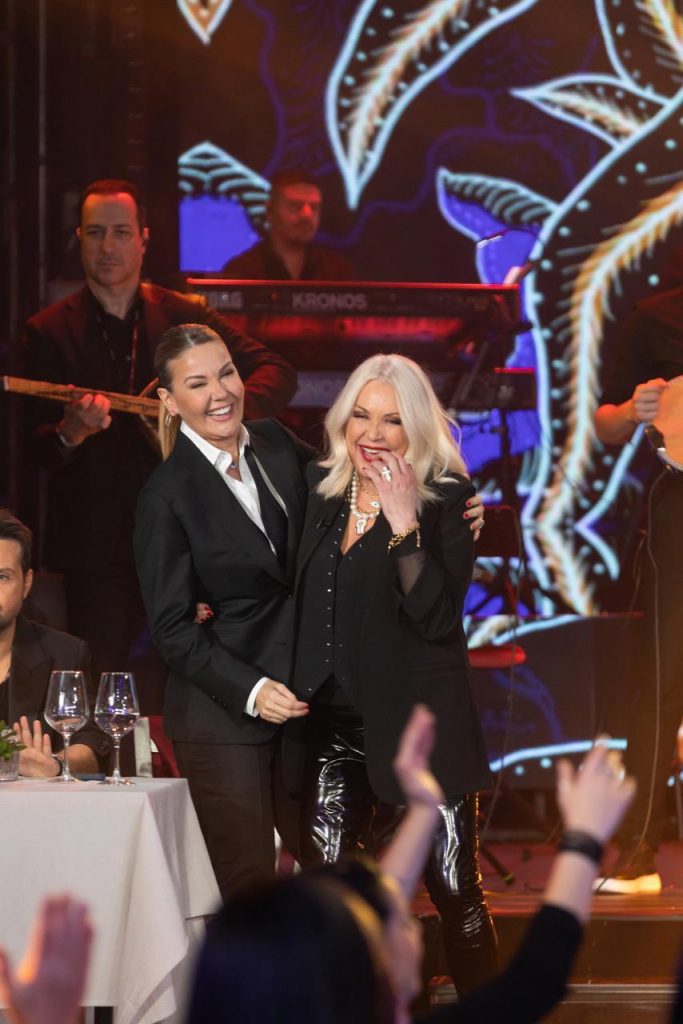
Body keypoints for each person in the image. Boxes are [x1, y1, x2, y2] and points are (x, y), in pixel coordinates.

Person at [20, 178, 297, 712]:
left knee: (209, 673)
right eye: (95, 233)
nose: (108, 247)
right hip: (98, 549)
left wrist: (223, 412)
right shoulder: (48, 330)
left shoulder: (185, 317)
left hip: (192, 533)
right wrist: (71, 432)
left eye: (121, 232)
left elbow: (276, 370)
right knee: (102, 687)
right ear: (79, 239)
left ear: (144, 239)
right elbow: (33, 452)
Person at [290, 354, 497, 996]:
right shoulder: (318, 488)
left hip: (421, 729)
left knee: (455, 889)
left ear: (417, 429)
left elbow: (435, 617)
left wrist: (405, 522)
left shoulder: (449, 500)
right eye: (361, 416)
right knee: (325, 895)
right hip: (334, 725)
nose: (373, 434)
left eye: (392, 421)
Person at [133, 324, 314, 898]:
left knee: (335, 874)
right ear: (169, 401)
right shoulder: (165, 496)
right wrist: (253, 690)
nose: (220, 393)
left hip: (304, 704)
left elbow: (351, 490)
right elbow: (172, 631)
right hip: (223, 720)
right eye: (197, 383)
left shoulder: (276, 442)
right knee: (250, 891)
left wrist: (448, 504)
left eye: (227, 373)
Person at [594, 282, 683, 894]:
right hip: (679, 506)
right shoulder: (655, 317)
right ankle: (640, 851)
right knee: (662, 676)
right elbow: (604, 424)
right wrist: (633, 411)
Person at [0, 509, 110, 777]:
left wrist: (55, 764)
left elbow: (92, 744)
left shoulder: (64, 654)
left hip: (32, 802)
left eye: (2, 577)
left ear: (26, 583)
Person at [222, 169, 355, 281]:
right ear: (270, 211)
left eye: (314, 208)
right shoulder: (242, 271)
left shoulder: (337, 271)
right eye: (295, 206)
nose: (306, 215)